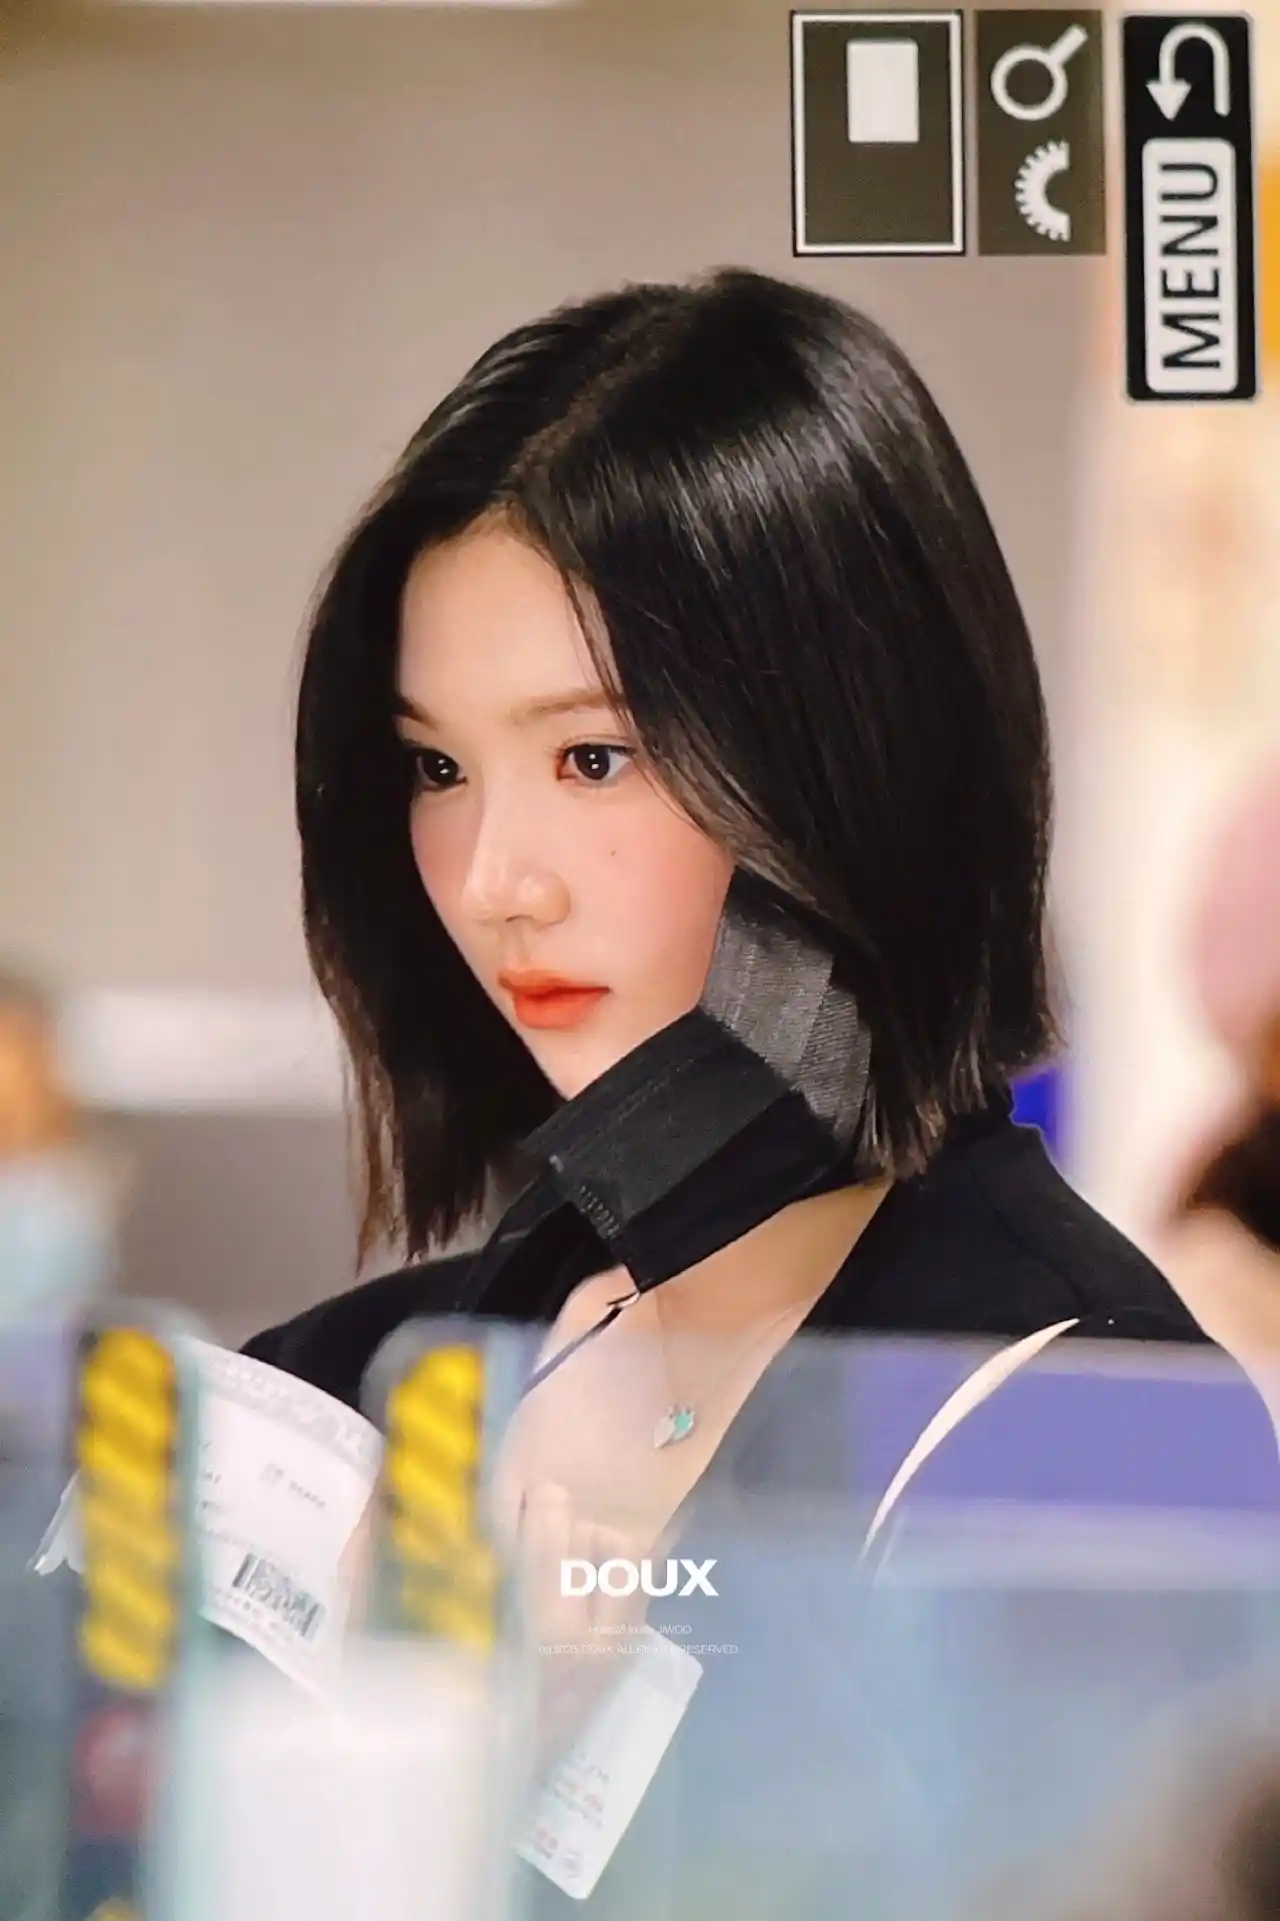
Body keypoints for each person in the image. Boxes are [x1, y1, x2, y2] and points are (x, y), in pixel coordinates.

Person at [245, 268, 1206, 1904]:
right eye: (437, 767)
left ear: (853, 766)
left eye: (593, 758)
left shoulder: (1099, 1440)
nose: (493, 880)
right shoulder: (332, 1397)